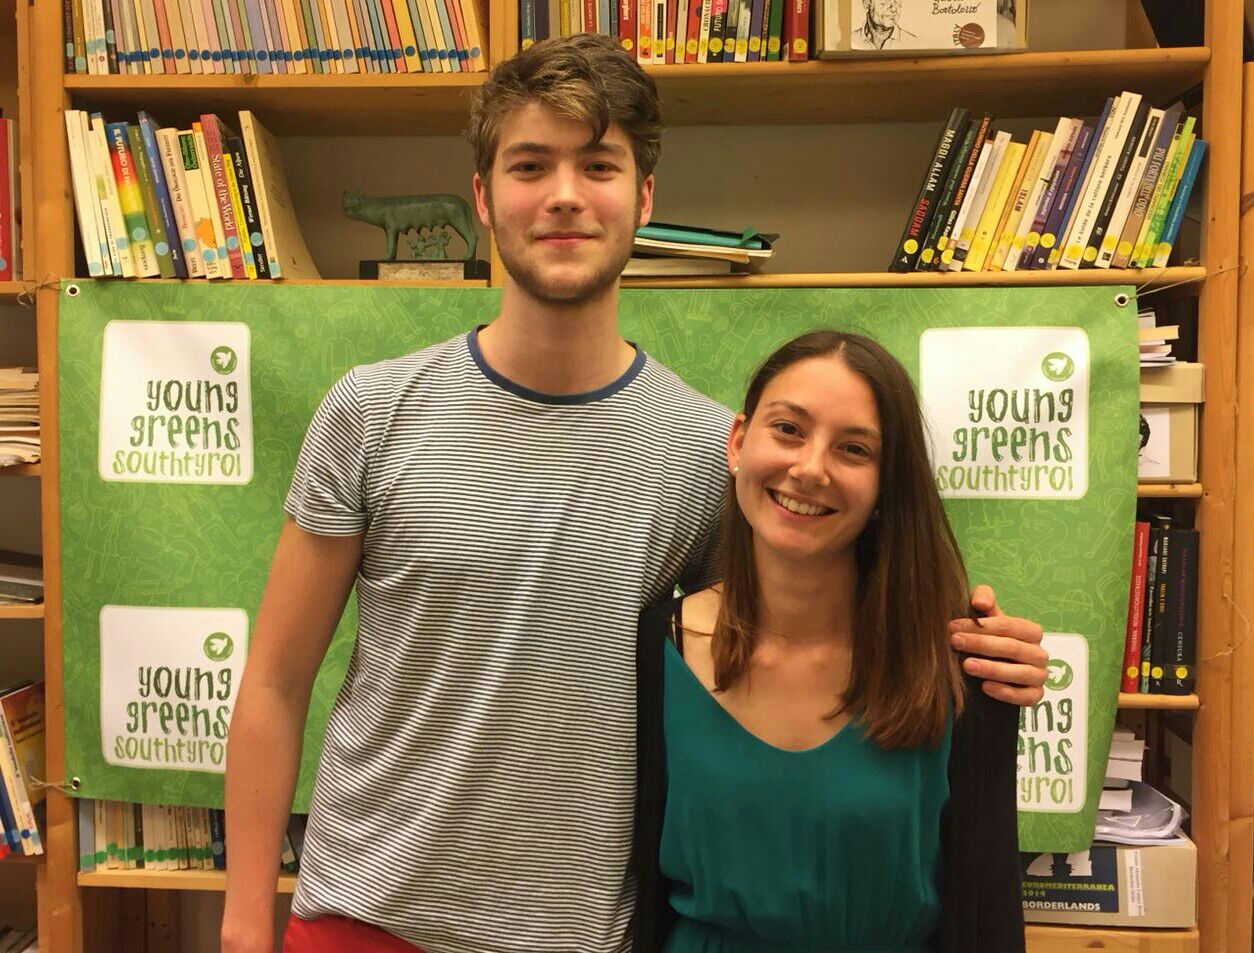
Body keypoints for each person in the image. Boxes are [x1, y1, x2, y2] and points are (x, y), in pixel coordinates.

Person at [220, 34, 1047, 953]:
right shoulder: (370, 411)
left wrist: (976, 648)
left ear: (643, 198)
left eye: (598, 165)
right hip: (365, 922)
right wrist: (244, 924)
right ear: (483, 197)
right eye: (530, 165)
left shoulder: (708, 451)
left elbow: (815, 624)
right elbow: (274, 684)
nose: (564, 194)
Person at [636, 331, 1025, 952]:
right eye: (788, 429)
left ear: (886, 485)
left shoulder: (961, 667)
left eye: (853, 449)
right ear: (737, 443)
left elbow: (988, 914)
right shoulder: (660, 651)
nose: (811, 468)